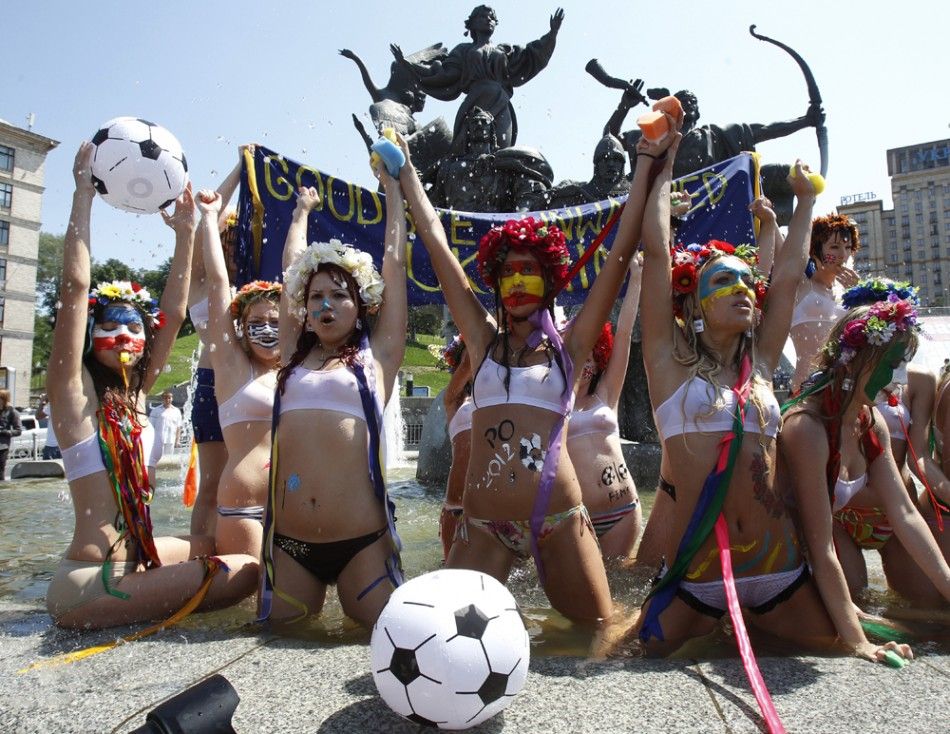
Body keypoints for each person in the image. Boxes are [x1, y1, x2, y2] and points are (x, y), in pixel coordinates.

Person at [399, 113, 675, 622]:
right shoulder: (481, 341)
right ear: (495, 282)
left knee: (602, 633)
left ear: (549, 281)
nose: (518, 282)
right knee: (439, 633)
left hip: (560, 518)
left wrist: (646, 165)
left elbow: (618, 254)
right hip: (484, 526)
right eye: (508, 273)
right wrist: (407, 175)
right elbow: (437, 244)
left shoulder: (570, 348)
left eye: (530, 271)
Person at [624, 152, 883, 660]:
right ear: (694, 307)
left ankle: (767, 625)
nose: (741, 288)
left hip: (777, 570)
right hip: (696, 576)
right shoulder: (667, 366)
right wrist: (662, 162)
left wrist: (805, 201)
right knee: (623, 655)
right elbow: (656, 255)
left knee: (842, 650)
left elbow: (785, 278)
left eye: (745, 280)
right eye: (722, 281)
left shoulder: (761, 364)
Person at [45, 143, 257, 629]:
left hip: (134, 553)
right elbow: (76, 291)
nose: (125, 337)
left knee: (215, 545)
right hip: (91, 578)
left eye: (135, 329)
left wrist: (186, 232)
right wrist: (83, 195)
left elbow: (176, 311)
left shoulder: (137, 397)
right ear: (88, 340)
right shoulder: (74, 398)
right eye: (111, 327)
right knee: (244, 573)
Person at [259, 155, 408, 627]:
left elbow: (395, 265)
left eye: (339, 295)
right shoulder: (291, 357)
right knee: (277, 644)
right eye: (316, 296)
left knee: (386, 641)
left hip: (361, 544)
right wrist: (300, 213)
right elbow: (292, 271)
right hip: (291, 545)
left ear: (360, 306)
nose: (325, 304)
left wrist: (395, 192)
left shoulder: (377, 357)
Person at [780, 289, 950, 658]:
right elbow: (819, 542)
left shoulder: (868, 420)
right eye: (892, 363)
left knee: (931, 609)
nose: (900, 376)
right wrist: (857, 642)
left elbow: (904, 513)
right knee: (853, 596)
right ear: (856, 359)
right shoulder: (807, 427)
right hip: (786, 554)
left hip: (832, 538)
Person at [196, 189, 282, 561]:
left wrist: (300, 217)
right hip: (244, 507)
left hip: (290, 505)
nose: (266, 329)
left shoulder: (295, 366)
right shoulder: (232, 366)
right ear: (240, 329)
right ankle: (199, 554)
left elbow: (295, 270)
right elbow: (215, 283)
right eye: (256, 323)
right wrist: (207, 217)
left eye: (275, 322)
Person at [187, 146, 254, 537]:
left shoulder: (255, 288)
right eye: (224, 240)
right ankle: (199, 559)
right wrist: (239, 169)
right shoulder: (201, 282)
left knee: (251, 481)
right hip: (212, 386)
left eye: (235, 242)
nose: (228, 248)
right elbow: (205, 225)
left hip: (252, 386)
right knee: (212, 486)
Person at [392, 5, 564, 148]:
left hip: (501, 103)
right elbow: (443, 74)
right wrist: (408, 64)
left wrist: (552, 34)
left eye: (491, 17)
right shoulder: (463, 50)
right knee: (463, 152)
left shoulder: (505, 51)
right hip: (475, 103)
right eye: (482, 16)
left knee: (502, 152)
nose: (488, 19)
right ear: (472, 24)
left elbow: (531, 56)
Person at [566, 257, 642, 559]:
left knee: (617, 590)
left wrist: (636, 278)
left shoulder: (606, 394)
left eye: (591, 358)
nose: (586, 364)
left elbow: (623, 334)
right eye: (579, 358)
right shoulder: (553, 402)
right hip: (576, 516)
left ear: (599, 361)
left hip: (622, 509)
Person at [789, 214, 860, 392]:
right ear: (814, 250)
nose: (843, 255)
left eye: (848, 247)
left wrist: (859, 297)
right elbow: (787, 246)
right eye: (834, 247)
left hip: (844, 389)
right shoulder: (801, 285)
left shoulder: (850, 292)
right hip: (806, 388)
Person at [441, 338, 472, 559]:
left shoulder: (500, 399)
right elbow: (469, 363)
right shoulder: (453, 400)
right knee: (451, 576)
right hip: (456, 505)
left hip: (494, 504)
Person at [149, 391, 183, 459]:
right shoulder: (155, 410)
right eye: (165, 398)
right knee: (157, 459)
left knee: (169, 460)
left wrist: (177, 440)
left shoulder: (176, 411)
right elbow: (150, 426)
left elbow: (178, 427)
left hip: (171, 440)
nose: (167, 400)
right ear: (162, 399)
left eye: (169, 398)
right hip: (158, 440)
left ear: (172, 399)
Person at [0, 389, 22, 479]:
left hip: (2, 447)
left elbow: (18, 430)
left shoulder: (12, 412)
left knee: (0, 472)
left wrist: (5, 432)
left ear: (4, 399)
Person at [36, 395, 61, 460]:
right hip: (68, 445)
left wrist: (42, 402)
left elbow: (38, 416)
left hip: (53, 445)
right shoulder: (72, 403)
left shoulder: (54, 404)